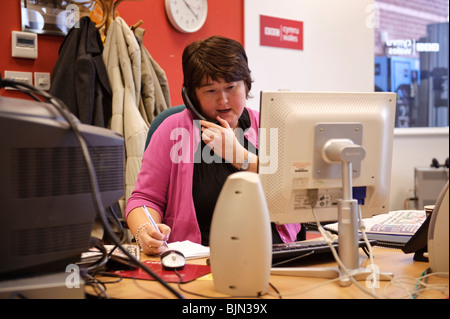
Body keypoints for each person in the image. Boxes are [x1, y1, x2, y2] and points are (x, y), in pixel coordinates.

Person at [125, 35, 301, 255]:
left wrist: (240, 157)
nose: (223, 100)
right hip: (200, 260)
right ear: (191, 95)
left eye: (231, 87)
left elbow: (296, 186)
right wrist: (144, 229)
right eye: (210, 91)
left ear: (246, 85)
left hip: (275, 254)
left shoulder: (271, 124)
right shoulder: (173, 130)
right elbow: (144, 198)